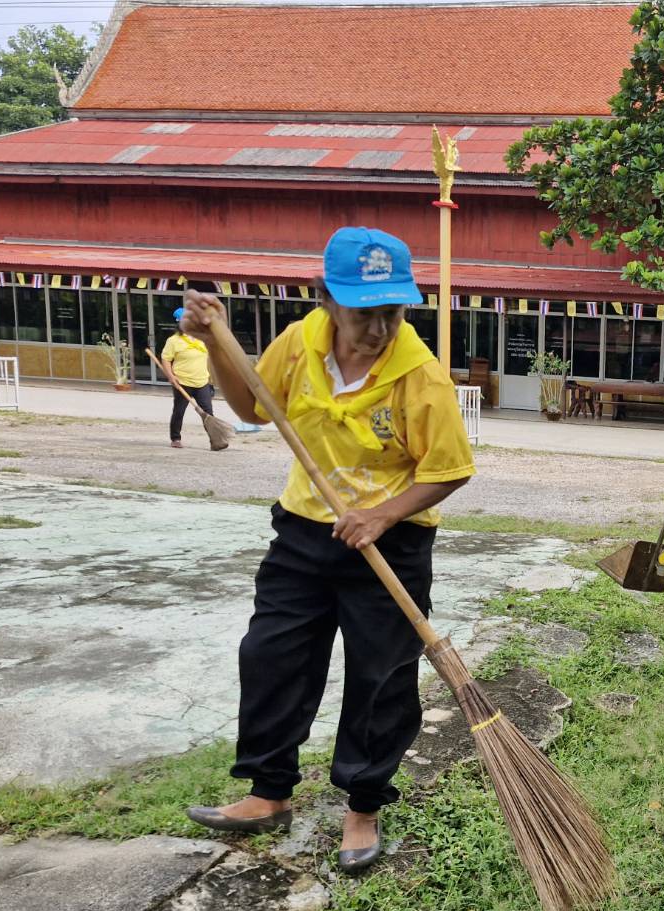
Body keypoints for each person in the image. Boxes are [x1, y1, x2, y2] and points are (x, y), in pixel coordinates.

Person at [182, 227, 476, 874]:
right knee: (271, 654)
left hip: (391, 542)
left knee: (381, 675)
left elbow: (450, 469)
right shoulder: (300, 343)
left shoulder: (419, 375)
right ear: (326, 299)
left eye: (392, 311)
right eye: (364, 311)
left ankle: (363, 805)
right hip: (303, 529)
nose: (379, 327)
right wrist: (215, 343)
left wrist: (381, 515)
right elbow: (252, 407)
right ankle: (268, 792)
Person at [161, 306, 216, 448]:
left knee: (208, 413)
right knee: (179, 411)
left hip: (201, 382)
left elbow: (208, 359)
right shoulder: (173, 341)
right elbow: (166, 359)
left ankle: (216, 439)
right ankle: (175, 438)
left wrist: (210, 379)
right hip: (182, 382)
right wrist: (171, 376)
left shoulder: (202, 339)